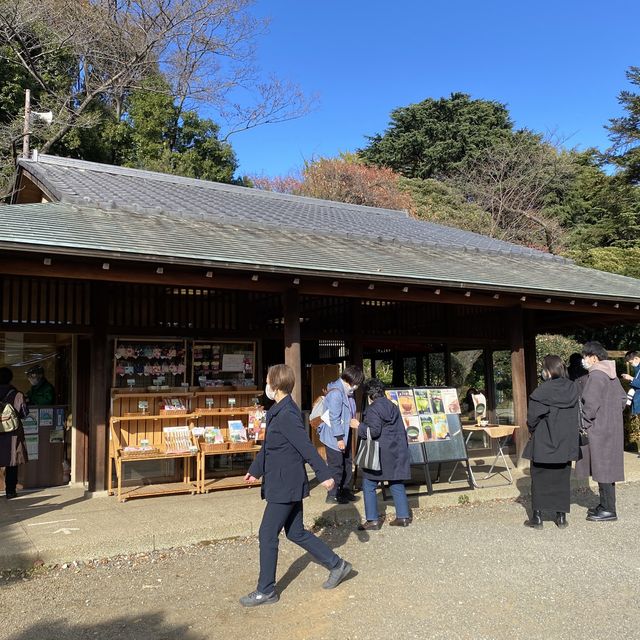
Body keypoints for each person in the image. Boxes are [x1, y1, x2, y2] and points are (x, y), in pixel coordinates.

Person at [240, 364, 352, 607]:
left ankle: (266, 590)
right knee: (295, 532)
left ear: (276, 384)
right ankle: (338, 565)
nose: (266, 385)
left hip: (285, 484)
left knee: (267, 533)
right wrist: (255, 470)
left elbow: (305, 447)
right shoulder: (278, 410)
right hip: (284, 481)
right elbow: (271, 446)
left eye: (268, 380)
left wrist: (324, 475)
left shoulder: (288, 413)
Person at [523, 355, 580, 529]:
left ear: (548, 370)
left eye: (543, 368)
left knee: (539, 478)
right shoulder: (573, 388)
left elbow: (532, 418)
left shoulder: (543, 391)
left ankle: (538, 518)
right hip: (566, 441)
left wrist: (532, 431)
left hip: (544, 439)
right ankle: (561, 517)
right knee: (562, 478)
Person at [352, 378, 411, 530]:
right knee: (396, 481)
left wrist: (359, 426)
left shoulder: (373, 409)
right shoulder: (393, 406)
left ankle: (372, 520)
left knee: (369, 483)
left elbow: (374, 431)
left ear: (370, 395)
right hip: (396, 449)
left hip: (380, 452)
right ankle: (403, 517)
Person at [577, 341, 626, 522]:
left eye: (585, 356)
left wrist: (584, 423)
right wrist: (611, 414)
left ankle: (608, 510)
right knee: (607, 468)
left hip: (599, 429)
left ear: (594, 357)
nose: (584, 360)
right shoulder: (611, 374)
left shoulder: (597, 375)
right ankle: (605, 505)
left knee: (602, 468)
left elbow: (589, 405)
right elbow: (622, 399)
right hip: (612, 427)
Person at [318, 365, 364, 504]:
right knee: (336, 465)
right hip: (335, 436)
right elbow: (334, 418)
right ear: (350, 380)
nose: (356, 387)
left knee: (347, 462)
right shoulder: (336, 393)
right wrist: (339, 438)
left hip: (346, 433)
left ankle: (345, 490)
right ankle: (333, 494)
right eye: (356, 383)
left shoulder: (347, 392)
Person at [0, 367, 29, 499]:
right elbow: (24, 413)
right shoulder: (17, 395)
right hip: (12, 433)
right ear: (10, 378)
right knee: (12, 461)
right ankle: (10, 491)